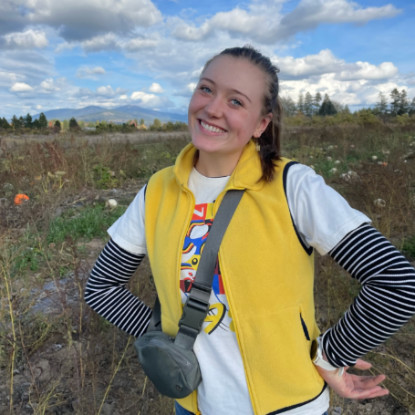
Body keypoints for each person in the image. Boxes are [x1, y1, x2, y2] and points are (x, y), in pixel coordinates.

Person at [85, 46, 415, 415]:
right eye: (206, 89)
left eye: (236, 102)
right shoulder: (156, 192)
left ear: (261, 123)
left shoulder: (294, 186)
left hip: (290, 406)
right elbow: (102, 288)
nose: (213, 108)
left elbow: (396, 283)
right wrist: (165, 334)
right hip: (192, 406)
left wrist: (331, 354)